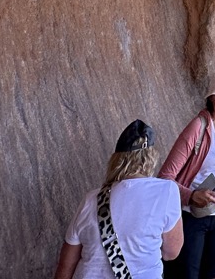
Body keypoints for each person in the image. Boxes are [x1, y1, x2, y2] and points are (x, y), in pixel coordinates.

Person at [54, 119, 183, 279]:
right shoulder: (167, 191)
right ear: (151, 158)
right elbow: (171, 253)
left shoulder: (91, 199)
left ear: (117, 160)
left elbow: (66, 265)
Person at [159, 69, 215, 279]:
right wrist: (191, 196)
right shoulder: (198, 128)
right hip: (192, 216)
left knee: (214, 274)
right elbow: (164, 178)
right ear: (210, 97)